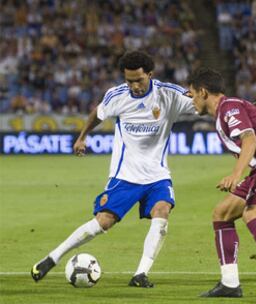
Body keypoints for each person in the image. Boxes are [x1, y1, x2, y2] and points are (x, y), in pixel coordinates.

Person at [31, 50, 195, 287]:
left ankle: (141, 274)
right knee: (103, 222)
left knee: (162, 212)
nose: (134, 85)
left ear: (150, 74)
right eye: (129, 80)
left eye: (139, 80)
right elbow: (97, 115)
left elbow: (207, 103)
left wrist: (244, 110)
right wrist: (82, 137)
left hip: (157, 176)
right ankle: (51, 258)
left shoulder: (169, 94)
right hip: (124, 176)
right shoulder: (116, 96)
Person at [187, 67, 256, 301]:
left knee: (253, 215)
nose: (191, 99)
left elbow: (250, 139)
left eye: (192, 94)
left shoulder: (228, 107)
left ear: (203, 91)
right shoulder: (228, 109)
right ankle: (230, 283)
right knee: (222, 214)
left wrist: (236, 174)